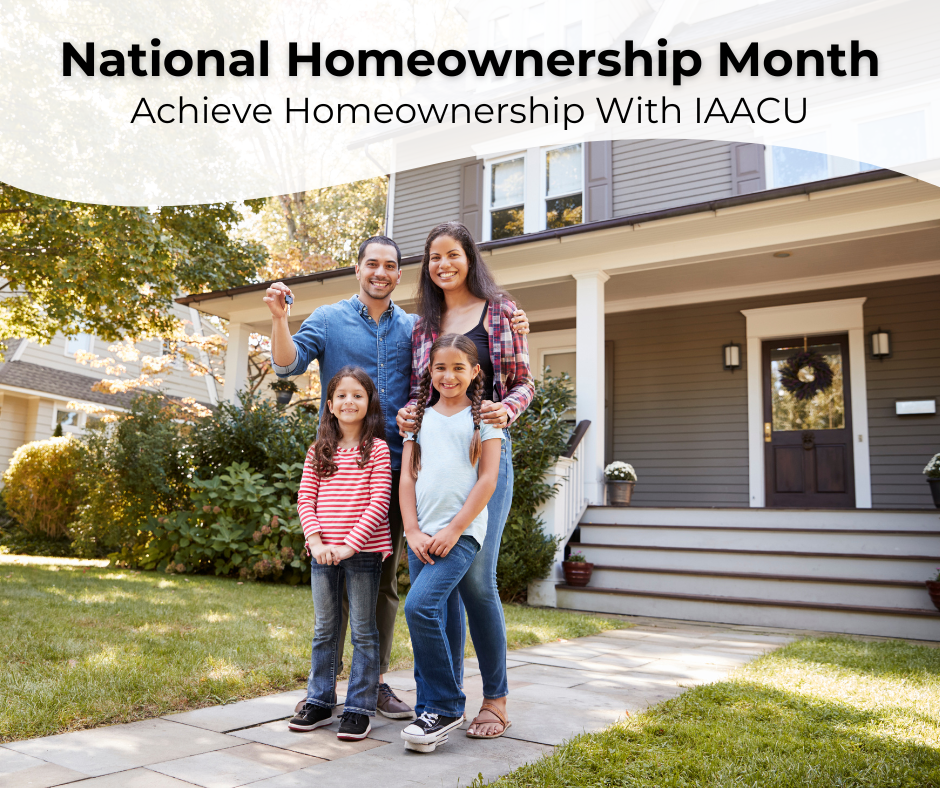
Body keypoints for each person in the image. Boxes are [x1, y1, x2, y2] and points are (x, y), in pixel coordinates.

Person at [265, 235, 529, 719]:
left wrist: (503, 400)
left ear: (401, 274)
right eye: (372, 264)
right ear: (358, 268)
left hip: (426, 462)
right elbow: (287, 365)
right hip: (360, 468)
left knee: (398, 583)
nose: (380, 273)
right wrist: (280, 319)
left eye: (390, 265)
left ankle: (381, 684)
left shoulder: (430, 322)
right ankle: (329, 691)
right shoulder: (338, 319)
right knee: (346, 583)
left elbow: (503, 378)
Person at [397, 221, 534, 739]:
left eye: (452, 254)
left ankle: (495, 700)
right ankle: (444, 700)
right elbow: (419, 390)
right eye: (434, 257)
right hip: (436, 457)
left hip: (484, 451)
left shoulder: (500, 310)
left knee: (478, 582)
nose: (443, 264)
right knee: (441, 586)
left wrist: (503, 412)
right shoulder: (423, 323)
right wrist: (410, 417)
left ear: (468, 257)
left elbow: (524, 382)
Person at [399, 334, 503, 752]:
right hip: (421, 534)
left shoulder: (486, 419)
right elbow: (407, 478)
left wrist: (455, 529)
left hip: (459, 535)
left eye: (459, 367)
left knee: (419, 606)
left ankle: (445, 705)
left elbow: (488, 480)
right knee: (435, 615)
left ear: (475, 372)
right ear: (430, 370)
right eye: (441, 367)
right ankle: (431, 710)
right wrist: (411, 530)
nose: (449, 375)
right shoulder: (417, 419)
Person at [288, 367, 392, 741]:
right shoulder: (320, 450)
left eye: (358, 395)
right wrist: (316, 542)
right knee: (324, 630)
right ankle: (319, 700)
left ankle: (360, 707)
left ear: (369, 403)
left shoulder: (377, 450)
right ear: (330, 405)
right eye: (342, 396)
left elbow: (380, 501)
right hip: (322, 553)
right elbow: (305, 498)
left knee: (363, 631)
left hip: (362, 552)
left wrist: (351, 543)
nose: (350, 401)